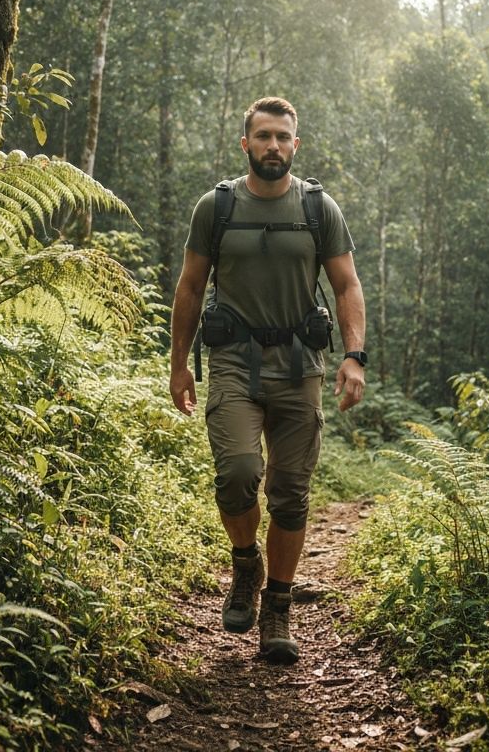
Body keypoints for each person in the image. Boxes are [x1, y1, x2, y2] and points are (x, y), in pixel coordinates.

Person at [169, 96, 366, 665]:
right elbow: (190, 286)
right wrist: (179, 364)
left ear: (295, 145)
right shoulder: (217, 207)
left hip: (300, 365)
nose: (273, 146)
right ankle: (245, 564)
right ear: (246, 143)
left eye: (283, 137)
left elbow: (347, 285)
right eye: (263, 136)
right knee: (237, 473)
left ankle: (277, 607)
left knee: (290, 495)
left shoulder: (319, 208)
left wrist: (355, 355)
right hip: (233, 361)